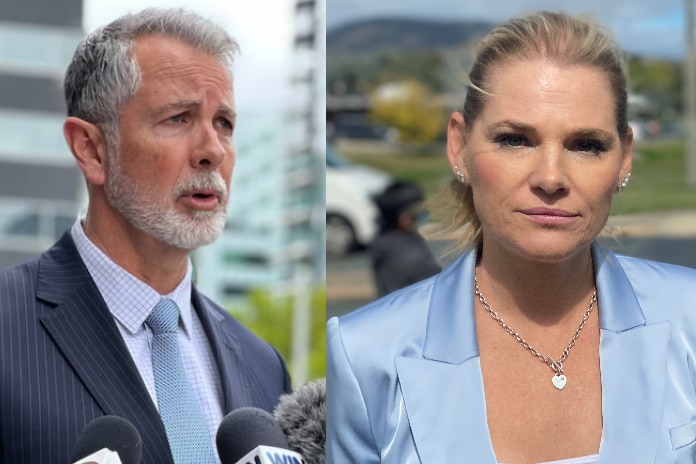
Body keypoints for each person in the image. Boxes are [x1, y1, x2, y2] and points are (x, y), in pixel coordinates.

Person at [326, 11, 696, 463]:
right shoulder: (365, 353)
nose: (551, 177)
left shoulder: (688, 318)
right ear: (459, 146)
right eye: (516, 140)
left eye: (586, 145)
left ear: (624, 159)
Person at [0, 8, 291, 464]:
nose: (213, 151)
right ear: (92, 149)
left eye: (224, 124)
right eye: (178, 118)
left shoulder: (264, 366)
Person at [370, 181, 441, 297]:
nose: (423, 213)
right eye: (418, 211)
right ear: (404, 219)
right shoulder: (414, 257)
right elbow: (441, 289)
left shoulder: (382, 239)